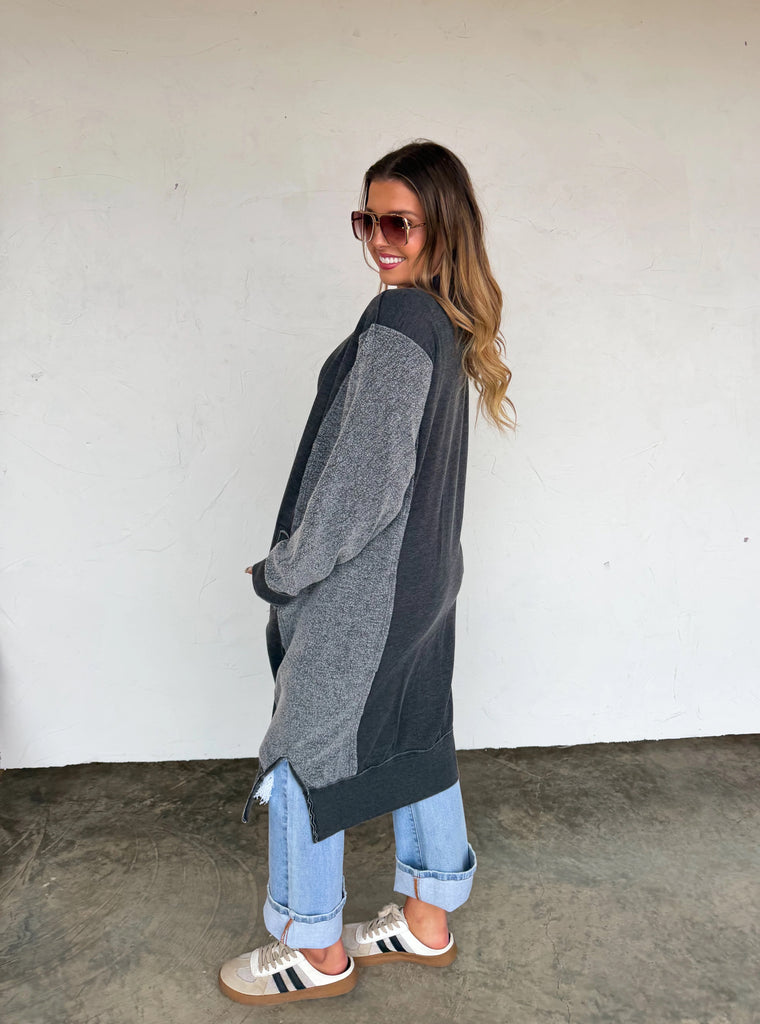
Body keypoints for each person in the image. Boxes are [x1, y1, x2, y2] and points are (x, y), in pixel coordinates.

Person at [219, 140, 515, 1006]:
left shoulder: (398, 324)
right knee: (417, 732)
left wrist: (284, 571)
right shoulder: (443, 321)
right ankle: (428, 918)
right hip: (423, 584)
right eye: (368, 221)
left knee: (305, 750)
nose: (381, 240)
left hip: (366, 594)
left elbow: (360, 488)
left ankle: (312, 946)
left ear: (441, 228)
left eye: (400, 224)